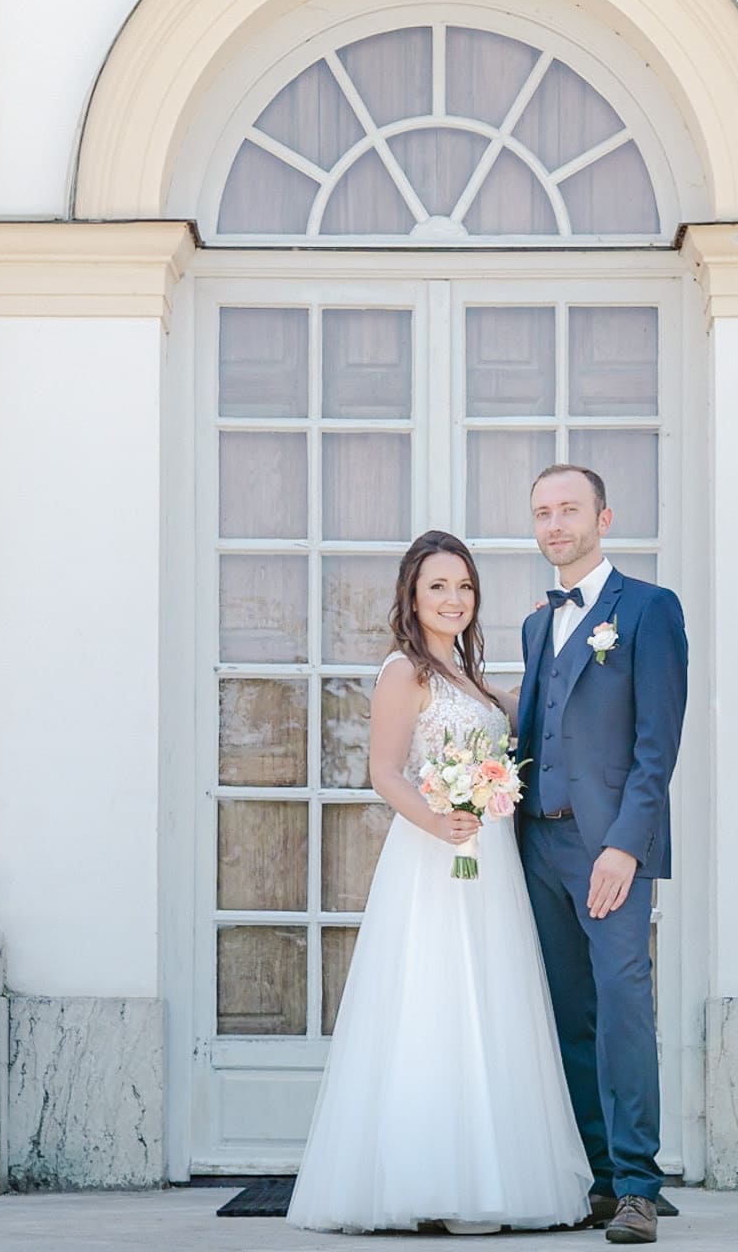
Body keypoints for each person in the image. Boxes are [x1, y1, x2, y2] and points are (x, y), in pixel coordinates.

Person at [287, 529, 591, 1236]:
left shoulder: (471, 677)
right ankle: (428, 1179)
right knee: (434, 1000)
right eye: (438, 587)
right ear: (412, 597)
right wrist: (438, 820)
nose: (454, 599)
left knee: (490, 1001)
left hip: (490, 862)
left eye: (464, 587)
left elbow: (538, 715)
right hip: (433, 856)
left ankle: (490, 1178)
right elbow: (384, 771)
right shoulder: (406, 671)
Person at [517, 466, 689, 1245]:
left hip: (610, 846)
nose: (555, 524)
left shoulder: (649, 610)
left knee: (624, 1010)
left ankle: (638, 1187)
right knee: (569, 1011)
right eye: (543, 512)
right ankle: (595, 1176)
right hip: (538, 841)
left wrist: (625, 845)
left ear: (604, 517)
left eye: (569, 510)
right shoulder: (532, 625)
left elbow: (657, 746)